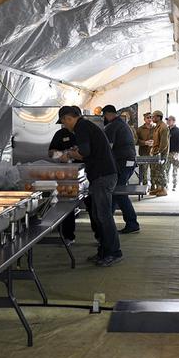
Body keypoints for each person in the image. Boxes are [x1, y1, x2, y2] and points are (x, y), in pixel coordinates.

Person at [57, 106, 123, 267]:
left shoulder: (81, 128)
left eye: (64, 123)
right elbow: (88, 149)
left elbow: (85, 152)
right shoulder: (85, 126)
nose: (65, 126)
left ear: (68, 118)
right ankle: (104, 250)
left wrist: (69, 154)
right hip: (102, 175)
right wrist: (75, 149)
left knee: (103, 216)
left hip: (103, 176)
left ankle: (114, 252)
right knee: (97, 214)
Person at [102, 104, 140, 234]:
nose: (104, 118)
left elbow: (108, 148)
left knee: (119, 192)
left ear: (108, 114)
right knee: (115, 191)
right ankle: (108, 222)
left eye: (104, 116)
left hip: (123, 163)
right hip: (127, 162)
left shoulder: (113, 126)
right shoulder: (122, 124)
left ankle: (132, 222)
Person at [48, 115, 81, 246]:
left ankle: (100, 236)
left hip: (85, 172)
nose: (64, 124)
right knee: (67, 204)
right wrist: (62, 154)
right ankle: (68, 236)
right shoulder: (60, 133)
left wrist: (75, 153)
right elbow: (51, 152)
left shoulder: (83, 131)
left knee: (92, 205)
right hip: (66, 174)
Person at [149, 110, 170, 196]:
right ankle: (158, 188)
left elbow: (164, 143)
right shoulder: (157, 126)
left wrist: (159, 152)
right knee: (155, 171)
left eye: (153, 117)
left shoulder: (163, 127)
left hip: (161, 153)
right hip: (156, 152)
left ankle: (164, 190)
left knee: (161, 171)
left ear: (158, 117)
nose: (152, 118)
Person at [165, 115, 179, 191]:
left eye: (169, 120)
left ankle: (174, 185)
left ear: (173, 121)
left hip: (175, 153)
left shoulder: (178, 131)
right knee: (166, 169)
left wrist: (178, 153)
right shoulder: (166, 130)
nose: (168, 121)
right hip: (167, 153)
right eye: (167, 120)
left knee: (175, 170)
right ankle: (166, 185)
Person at [135, 112, 154, 185]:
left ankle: (153, 187)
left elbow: (159, 139)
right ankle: (144, 186)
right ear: (144, 119)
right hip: (144, 152)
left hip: (153, 153)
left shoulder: (155, 128)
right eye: (148, 118)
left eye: (151, 117)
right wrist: (145, 142)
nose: (150, 119)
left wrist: (154, 142)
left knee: (154, 171)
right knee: (143, 171)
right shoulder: (140, 129)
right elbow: (136, 141)